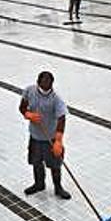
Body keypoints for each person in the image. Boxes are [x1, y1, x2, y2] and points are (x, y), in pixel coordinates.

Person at [19, 71, 71, 199]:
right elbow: (22, 107)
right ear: (38, 82)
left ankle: (58, 188)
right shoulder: (29, 91)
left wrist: (58, 141)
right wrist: (28, 115)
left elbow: (62, 118)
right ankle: (39, 184)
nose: (46, 87)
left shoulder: (56, 99)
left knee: (55, 165)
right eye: (43, 84)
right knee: (36, 162)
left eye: (49, 85)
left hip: (51, 139)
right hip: (35, 137)